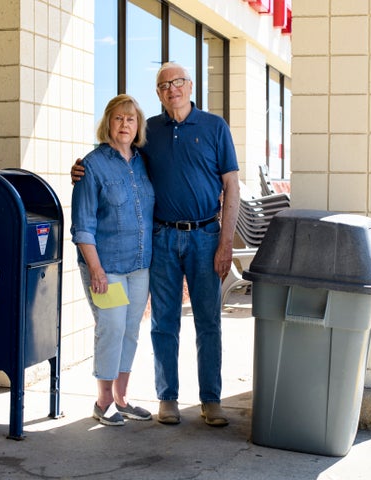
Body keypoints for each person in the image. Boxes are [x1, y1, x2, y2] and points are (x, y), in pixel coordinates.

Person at [73, 62, 240, 427]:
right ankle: (168, 398)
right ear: (158, 93)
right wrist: (81, 168)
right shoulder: (152, 132)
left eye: (178, 82)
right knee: (163, 323)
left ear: (190, 86)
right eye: (164, 85)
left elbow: (232, 187)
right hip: (162, 240)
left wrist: (226, 243)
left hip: (206, 238)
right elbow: (115, 158)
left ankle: (211, 400)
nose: (172, 89)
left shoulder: (215, 127)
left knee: (208, 322)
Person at [71, 94, 155, 426]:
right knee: (112, 327)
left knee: (131, 330)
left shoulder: (143, 162)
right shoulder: (90, 166)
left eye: (131, 119)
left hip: (139, 265)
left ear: (138, 126)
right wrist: (96, 269)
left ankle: (122, 398)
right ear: (108, 123)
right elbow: (82, 226)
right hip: (106, 268)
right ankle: (103, 401)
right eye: (118, 118)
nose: (124, 125)